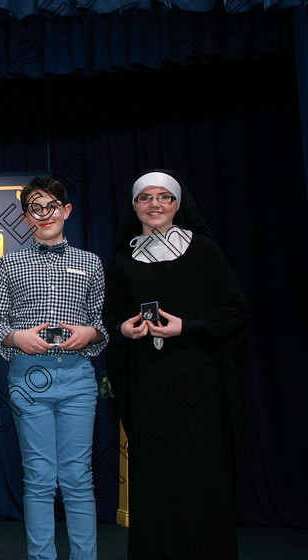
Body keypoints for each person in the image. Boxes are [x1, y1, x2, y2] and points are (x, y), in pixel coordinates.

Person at [102, 170, 248, 560]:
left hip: (200, 381)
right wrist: (124, 329)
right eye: (145, 198)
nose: (154, 205)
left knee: (201, 471)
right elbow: (110, 318)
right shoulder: (121, 261)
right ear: (134, 207)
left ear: (177, 205)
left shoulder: (203, 250)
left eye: (163, 198)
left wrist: (190, 327)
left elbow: (236, 309)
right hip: (148, 381)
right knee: (156, 477)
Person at [0, 176, 107, 560]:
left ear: (66, 210)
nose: (45, 215)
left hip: (77, 377)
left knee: (78, 478)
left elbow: (101, 323)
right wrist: (15, 338)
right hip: (28, 378)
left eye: (52, 206)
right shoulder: (9, 264)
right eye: (36, 209)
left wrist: (89, 333)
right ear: (26, 218)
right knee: (38, 478)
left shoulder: (90, 262)